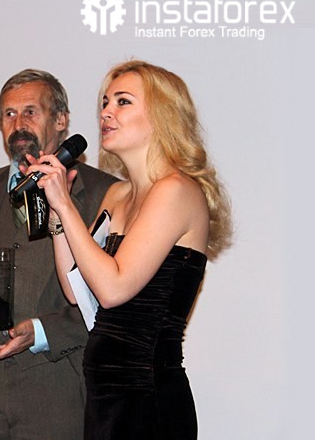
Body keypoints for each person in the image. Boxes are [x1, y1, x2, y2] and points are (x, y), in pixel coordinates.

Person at [24, 60, 232, 439]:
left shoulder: (175, 190)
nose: (106, 112)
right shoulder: (118, 194)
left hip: (148, 396)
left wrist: (67, 206)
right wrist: (57, 214)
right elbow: (76, 288)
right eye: (105, 102)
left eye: (123, 102)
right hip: (104, 396)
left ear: (162, 116)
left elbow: (113, 289)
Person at [0, 69, 118, 439]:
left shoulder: (104, 193)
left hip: (58, 389)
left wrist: (42, 331)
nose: (18, 124)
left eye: (30, 111)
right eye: (9, 114)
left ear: (61, 120)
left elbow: (112, 304)